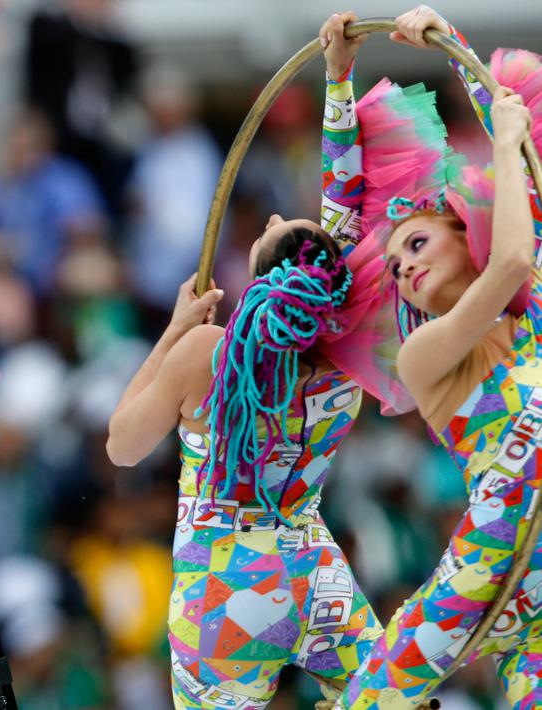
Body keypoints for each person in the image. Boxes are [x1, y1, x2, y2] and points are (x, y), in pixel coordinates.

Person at [103, 10, 491, 706]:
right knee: (397, 700)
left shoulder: (207, 351)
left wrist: (171, 333)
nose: (279, 217)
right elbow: (342, 208)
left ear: (266, 280)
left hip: (221, 582)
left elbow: (122, 446)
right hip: (311, 571)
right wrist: (336, 77)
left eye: (279, 225)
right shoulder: (345, 352)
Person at [334, 6, 542, 708]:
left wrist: (451, 42)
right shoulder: (424, 354)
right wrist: (506, 147)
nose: (401, 270)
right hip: (482, 578)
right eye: (392, 266)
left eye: (416, 245)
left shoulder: (531, 312)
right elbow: (510, 256)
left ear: (464, 229)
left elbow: (519, 227)